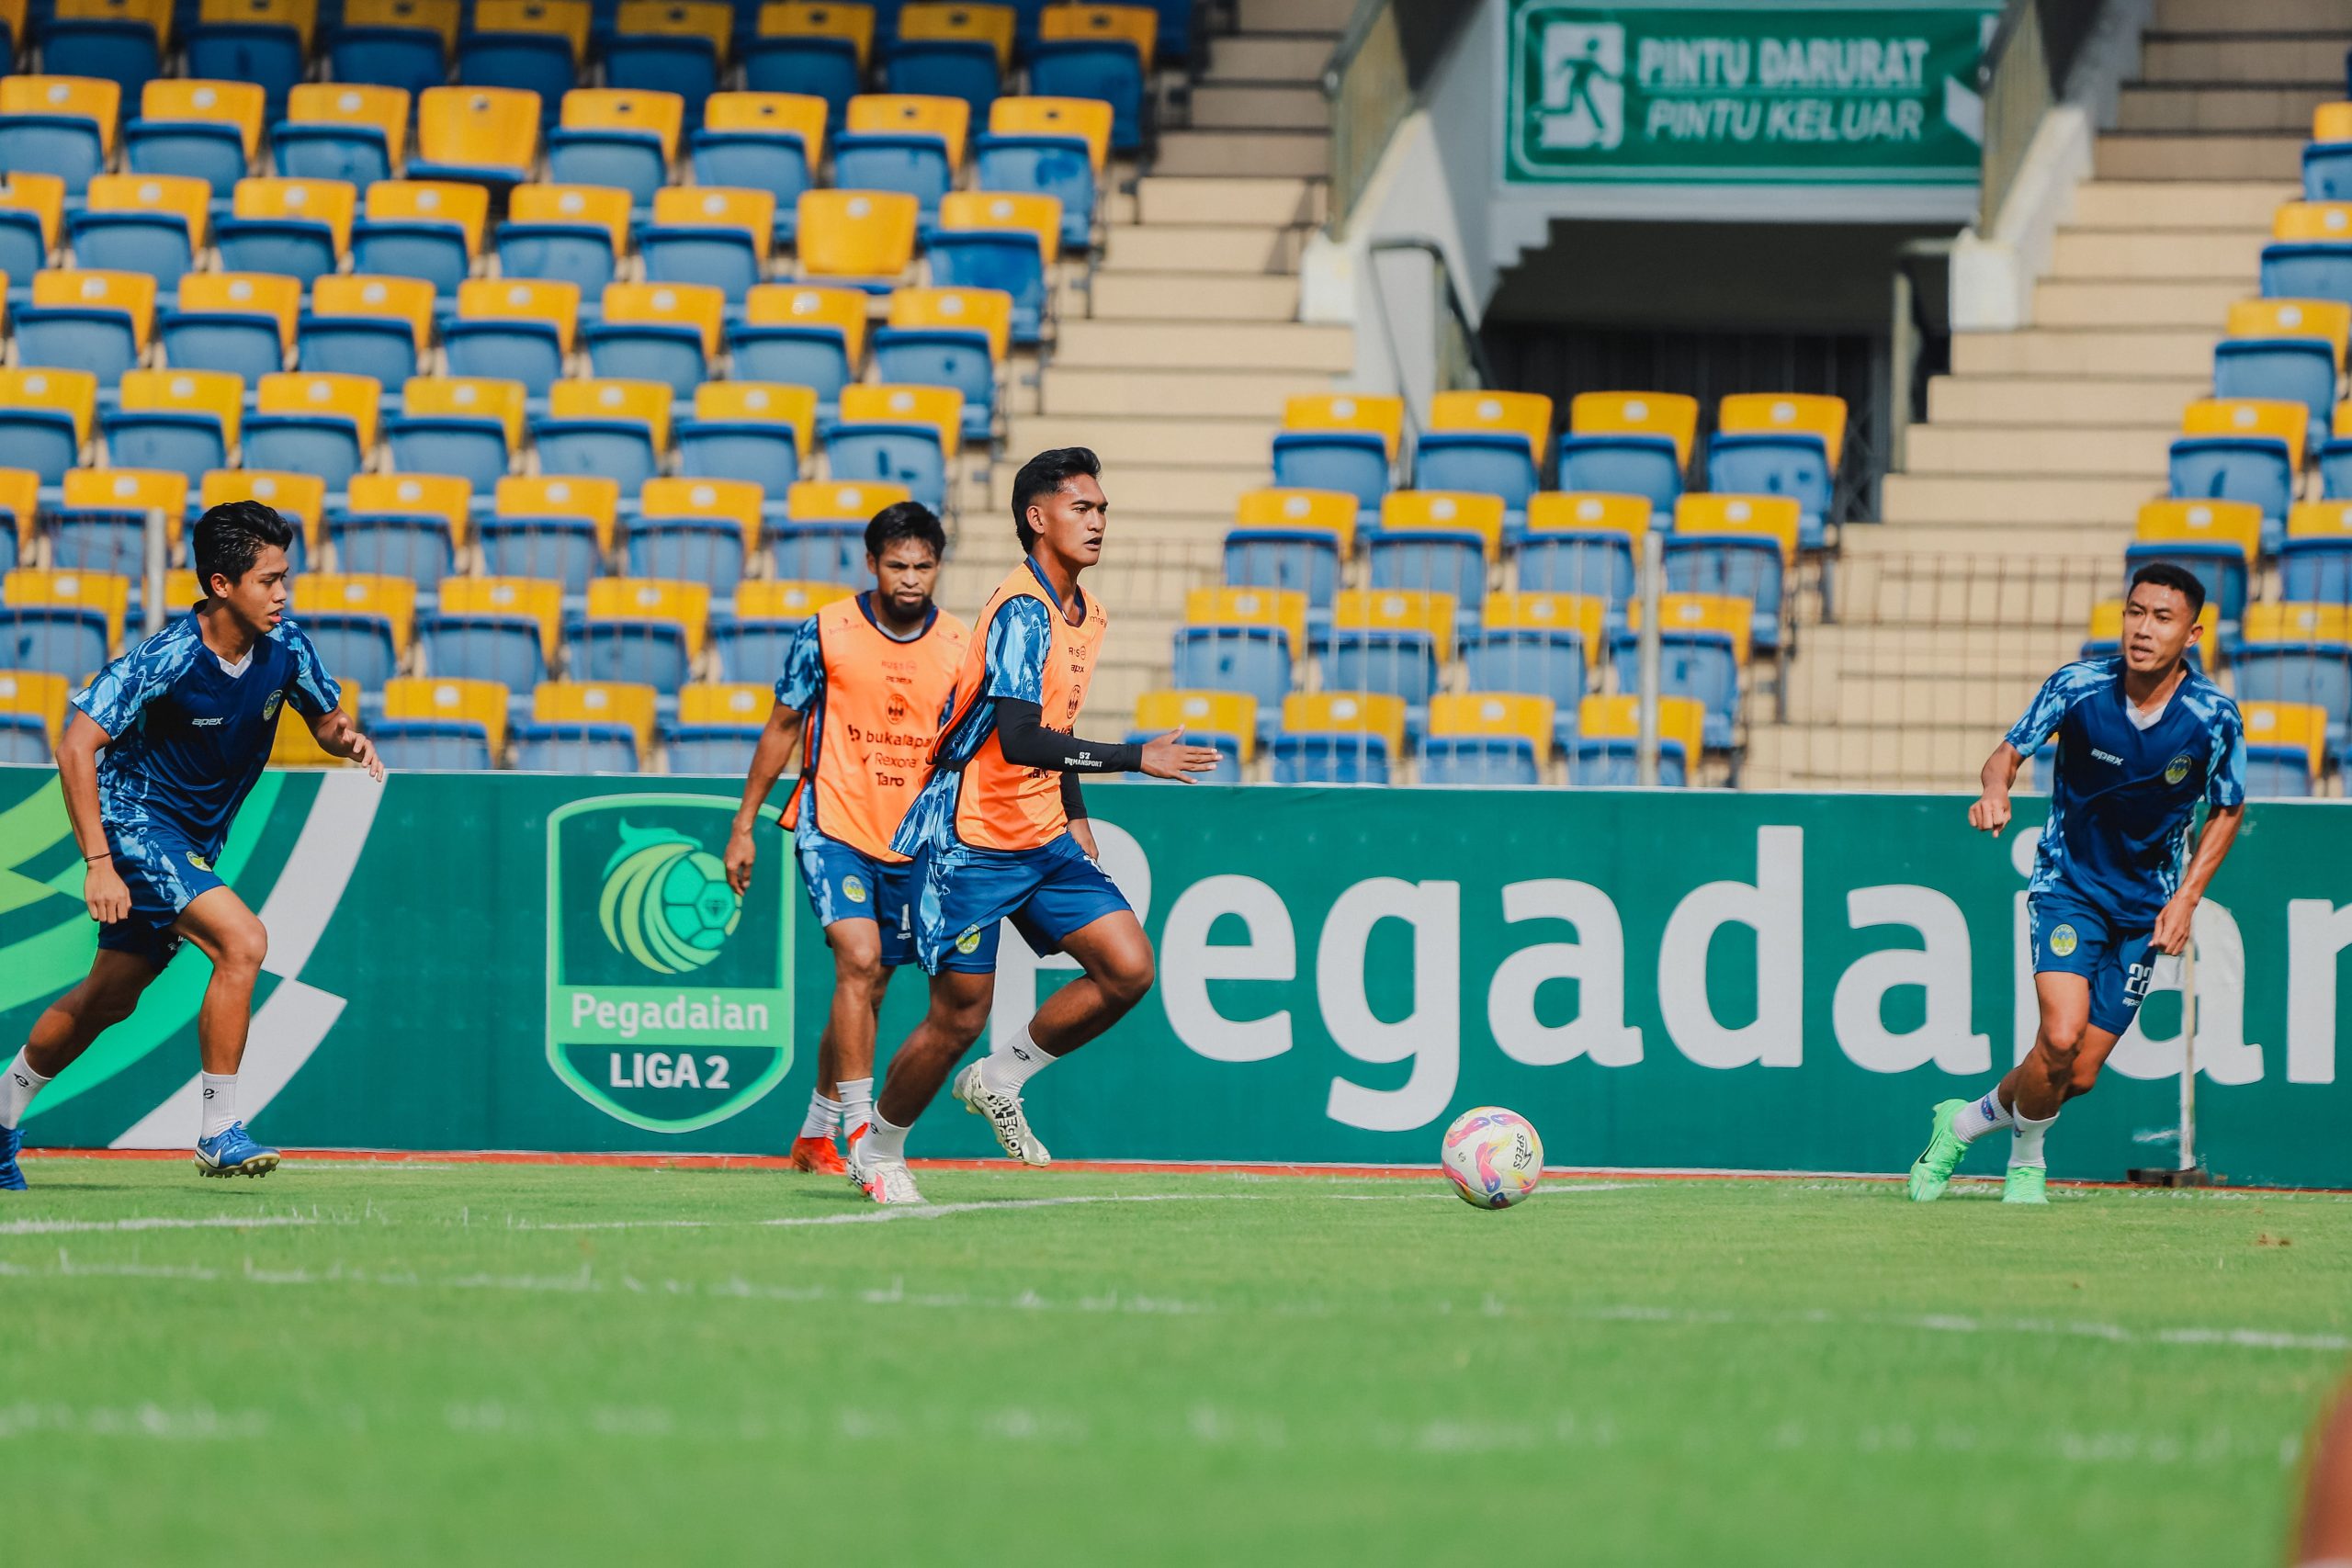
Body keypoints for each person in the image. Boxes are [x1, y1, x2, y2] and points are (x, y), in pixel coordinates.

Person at [847, 447, 1222, 1204]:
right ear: (1037, 517)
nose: (1098, 521)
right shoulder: (1021, 608)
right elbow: (1018, 737)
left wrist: (1075, 812)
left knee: (1128, 968)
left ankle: (1003, 1075)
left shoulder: (1090, 610)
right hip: (971, 842)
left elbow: (1053, 725)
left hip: (1042, 832)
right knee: (958, 1015)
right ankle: (878, 1148)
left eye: (1103, 509)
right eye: (1083, 508)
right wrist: (1134, 757)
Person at [0, 502, 382, 1190]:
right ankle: (217, 1130)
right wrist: (98, 863)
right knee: (243, 941)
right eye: (268, 580)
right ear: (220, 584)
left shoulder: (286, 647)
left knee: (107, 1001)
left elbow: (326, 717)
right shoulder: (168, 655)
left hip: (192, 845)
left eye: (284, 577)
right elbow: (75, 744)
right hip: (135, 823)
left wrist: (345, 738)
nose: (281, 593)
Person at [1908, 562, 2245, 1205]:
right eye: (2135, 612)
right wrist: (1995, 788)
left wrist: (2187, 897)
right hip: (2069, 885)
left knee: (2077, 1072)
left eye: (2162, 617)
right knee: (2059, 1036)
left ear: (2194, 632)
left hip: (2146, 907)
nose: (2143, 629)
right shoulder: (2078, 685)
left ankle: (1957, 1124)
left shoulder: (2213, 717)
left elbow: (2228, 807)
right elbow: (2007, 752)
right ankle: (2027, 1162)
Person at [724, 502, 967, 1174]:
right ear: (871, 564)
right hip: (833, 823)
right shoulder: (827, 631)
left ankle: (814, 1131)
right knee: (857, 960)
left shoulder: (959, 646)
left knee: (874, 986)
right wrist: (744, 824)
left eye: (923, 566)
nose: (911, 579)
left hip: (913, 840)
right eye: (897, 565)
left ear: (938, 566)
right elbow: (781, 726)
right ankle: (865, 1134)